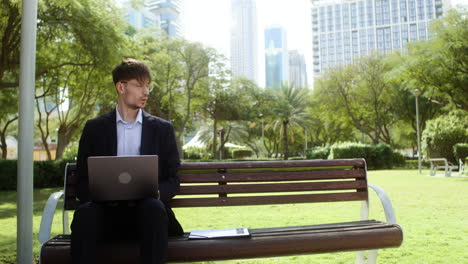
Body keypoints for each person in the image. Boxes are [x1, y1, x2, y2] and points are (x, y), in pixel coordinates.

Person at [71, 58, 183, 264]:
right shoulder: (94, 129)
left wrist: (159, 193)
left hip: (147, 215)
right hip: (105, 215)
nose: (146, 92)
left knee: (154, 209)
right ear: (121, 87)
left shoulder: (162, 129)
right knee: (85, 214)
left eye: (148, 85)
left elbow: (172, 179)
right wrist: (98, 195)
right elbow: (81, 181)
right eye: (139, 85)